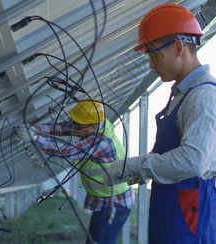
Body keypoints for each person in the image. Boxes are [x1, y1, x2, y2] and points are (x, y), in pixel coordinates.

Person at [103, 3, 216, 243]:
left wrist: (134, 167)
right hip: (174, 204)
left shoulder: (205, 96)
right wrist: (140, 172)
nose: (151, 64)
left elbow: (192, 161)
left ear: (177, 47)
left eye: (154, 54)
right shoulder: (183, 93)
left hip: (192, 210)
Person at [16, 99, 134, 244]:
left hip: (116, 201)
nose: (74, 127)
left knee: (101, 241)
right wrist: (35, 129)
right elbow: (62, 128)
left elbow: (67, 151)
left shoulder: (102, 142)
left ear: (94, 127)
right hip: (106, 199)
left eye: (78, 124)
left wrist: (34, 137)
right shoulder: (94, 124)